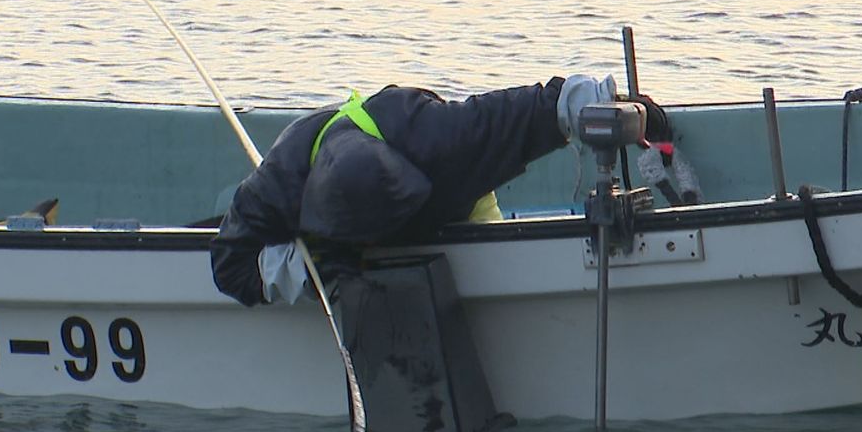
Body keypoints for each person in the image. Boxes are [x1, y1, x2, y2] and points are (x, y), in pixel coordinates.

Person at [211, 74, 662, 307]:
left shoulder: (444, 141)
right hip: (323, 243)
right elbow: (228, 265)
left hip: (450, 199)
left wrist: (609, 103)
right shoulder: (277, 187)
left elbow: (534, 109)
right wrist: (299, 271)